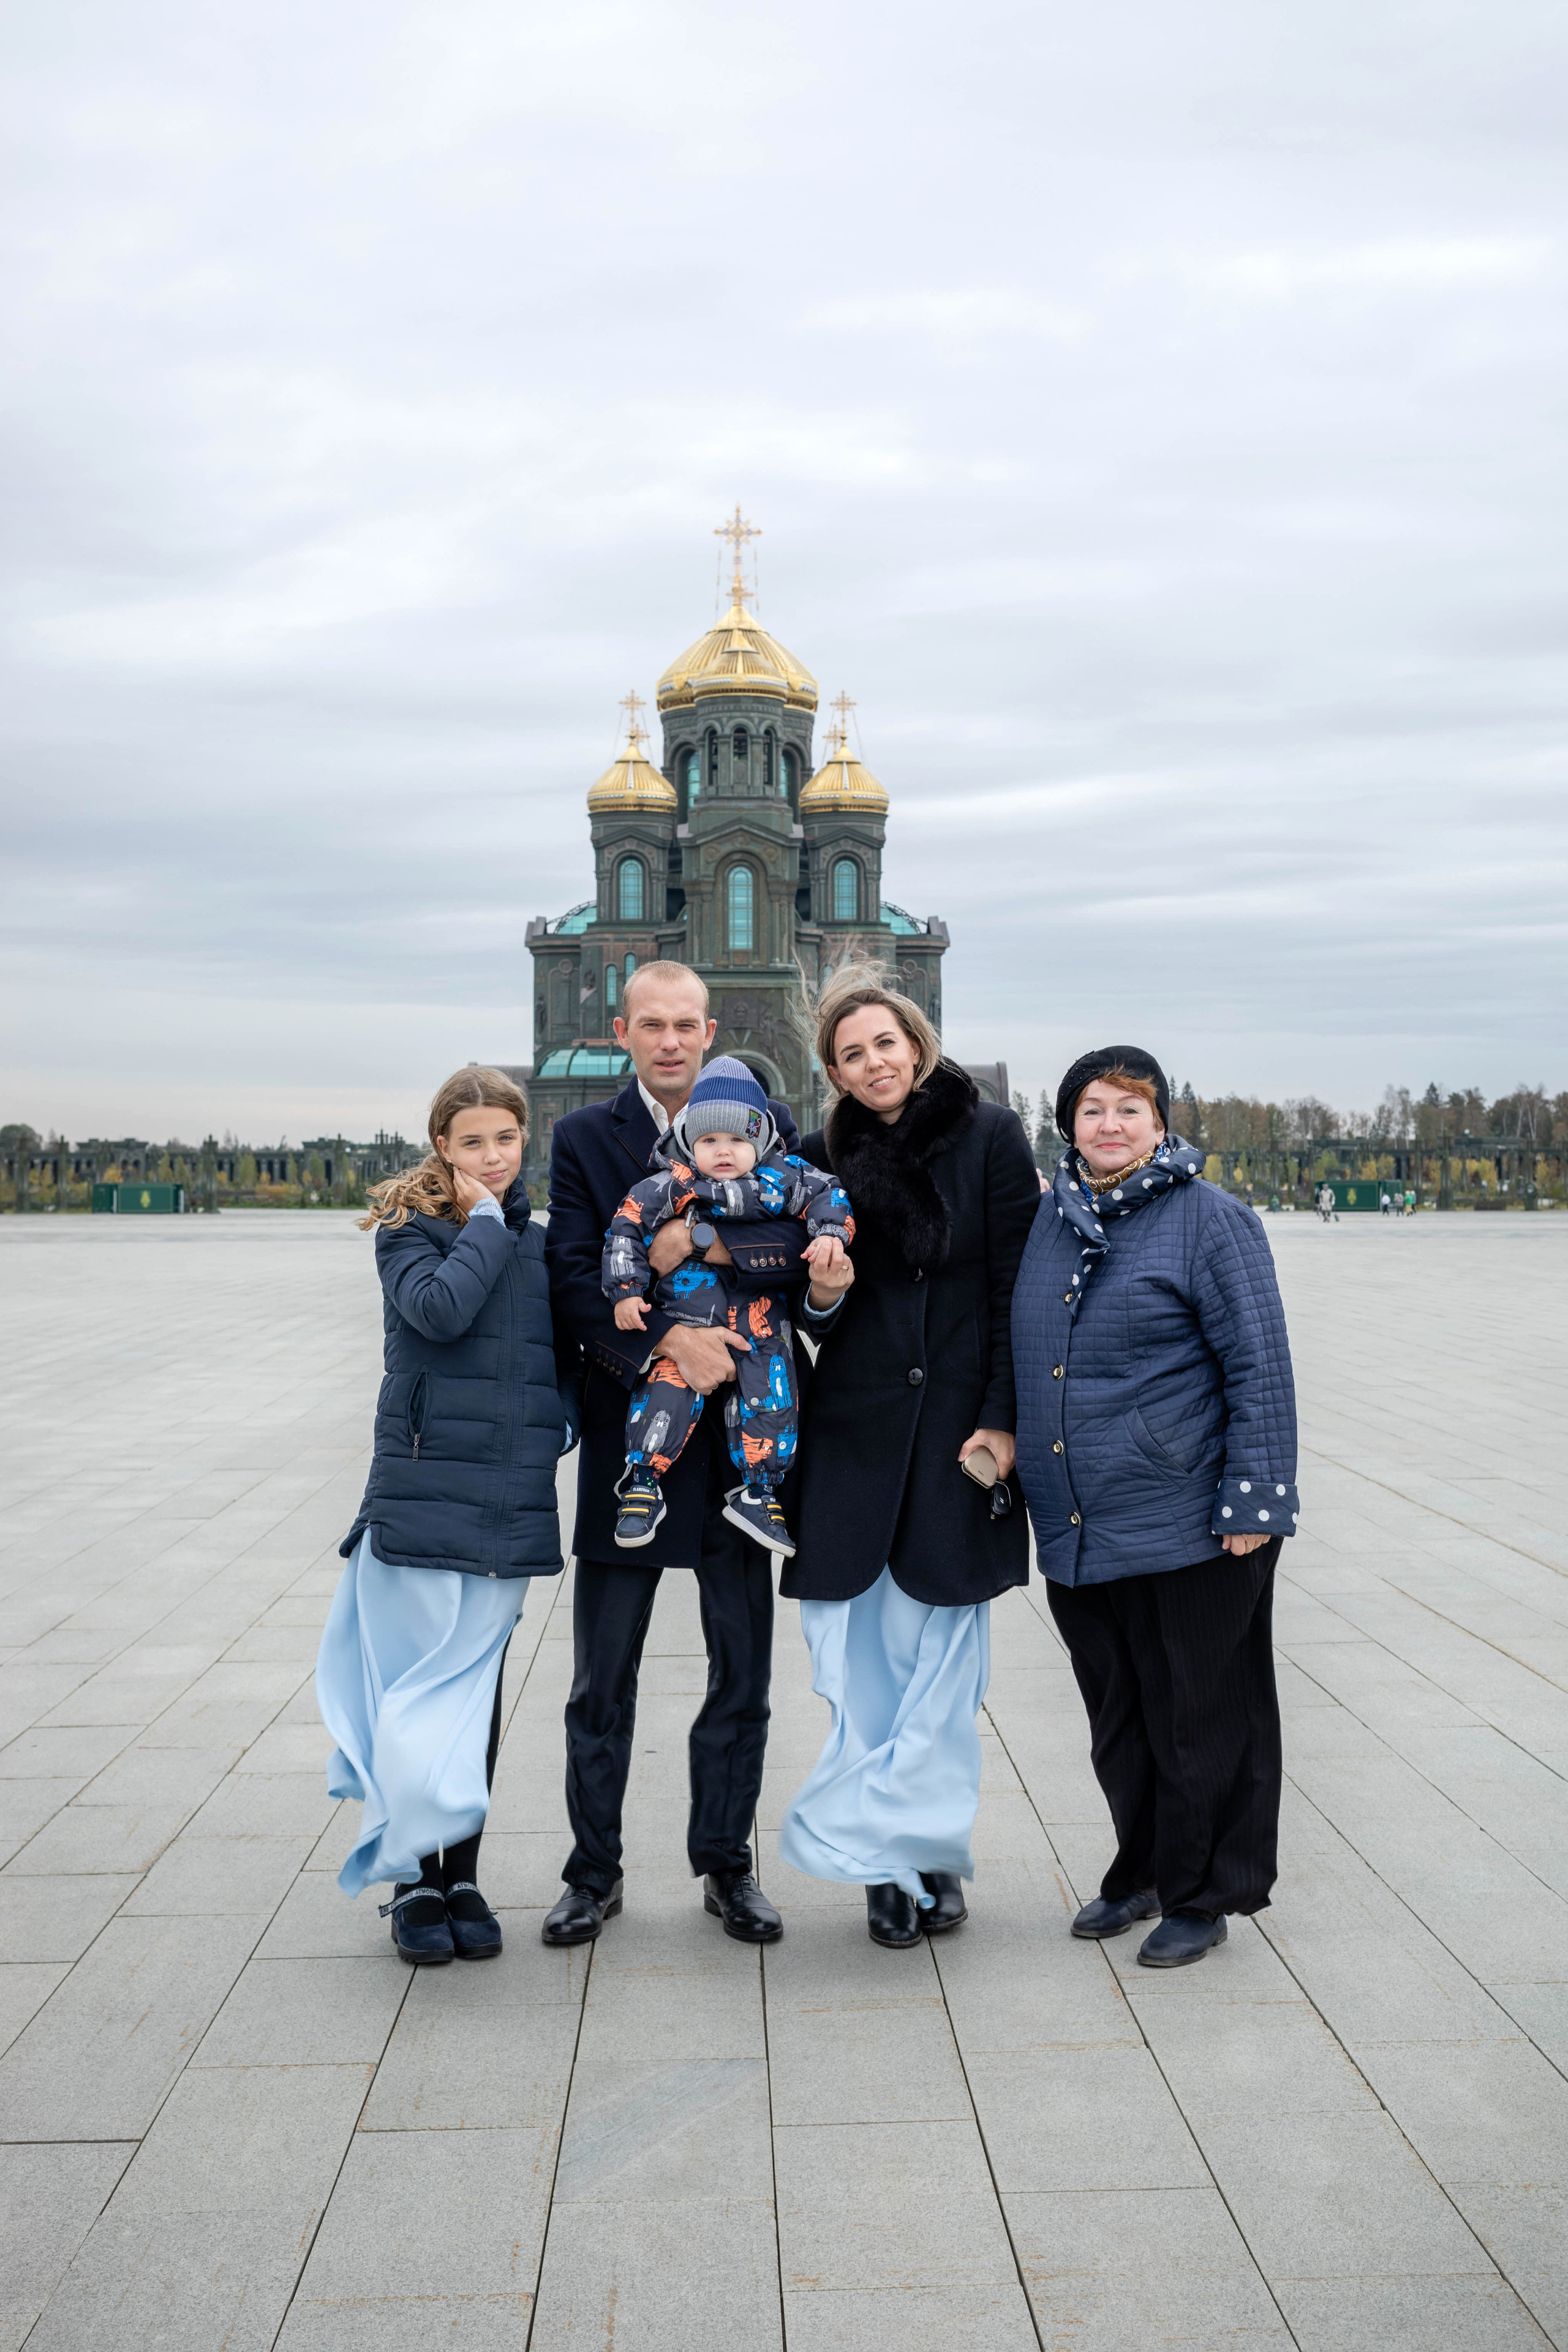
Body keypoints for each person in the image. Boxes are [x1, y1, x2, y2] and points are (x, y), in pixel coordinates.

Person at [543, 962, 855, 1949]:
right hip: (636, 1438)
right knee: (603, 1676)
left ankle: (727, 1863)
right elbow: (572, 1275)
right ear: (623, 1030)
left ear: (709, 1028)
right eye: (653, 1025)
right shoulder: (586, 1139)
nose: (671, 1041)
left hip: (736, 1455)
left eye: (687, 1025)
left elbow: (793, 1245)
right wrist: (660, 1344)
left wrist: (705, 1251)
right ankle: (592, 1872)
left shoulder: (768, 1127)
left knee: (741, 1671)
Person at [1013, 1047, 1299, 1969]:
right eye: (1092, 1109)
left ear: (1161, 1122)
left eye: (1129, 1110)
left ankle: (1203, 1892)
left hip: (1191, 1517)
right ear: (1068, 1124)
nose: (1109, 1125)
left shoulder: (1212, 1221)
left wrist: (1254, 1498)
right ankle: (1138, 1870)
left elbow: (1259, 1363)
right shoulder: (1050, 1219)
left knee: (1202, 1712)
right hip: (1080, 1522)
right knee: (1119, 1712)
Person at [779, 976, 1041, 1947]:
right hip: (855, 1433)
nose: (874, 1063)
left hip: (960, 1436)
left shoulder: (991, 1139)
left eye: (886, 1042)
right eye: (852, 1054)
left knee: (945, 1659)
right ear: (835, 1073)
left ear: (917, 1043)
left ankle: (931, 1845)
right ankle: (881, 1863)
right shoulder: (818, 1160)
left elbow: (1020, 1283)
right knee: (862, 1662)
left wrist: (1003, 1418)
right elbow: (802, 1313)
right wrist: (825, 1293)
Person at [317, 1069, 579, 1965]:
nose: (494, 1156)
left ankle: (459, 1871)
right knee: (416, 1689)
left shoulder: (537, 1242)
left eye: (505, 1139)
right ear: (443, 1148)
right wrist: (482, 1224)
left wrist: (557, 1423)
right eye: (473, 1142)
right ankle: (410, 1883)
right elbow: (439, 1310)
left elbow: (567, 1352)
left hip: (506, 1496)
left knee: (472, 1692)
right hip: (424, 1488)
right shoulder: (410, 1235)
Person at [603, 1055, 854, 1554]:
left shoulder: (784, 1178)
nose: (723, 1152)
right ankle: (642, 1480)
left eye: (738, 1140)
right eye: (709, 1140)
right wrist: (626, 1289)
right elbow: (625, 1228)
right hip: (686, 1323)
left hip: (762, 1326)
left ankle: (760, 1491)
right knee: (665, 1396)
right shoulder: (670, 1183)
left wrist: (830, 1235)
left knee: (774, 1402)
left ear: (759, 1143)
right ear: (690, 1142)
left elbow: (831, 1195)